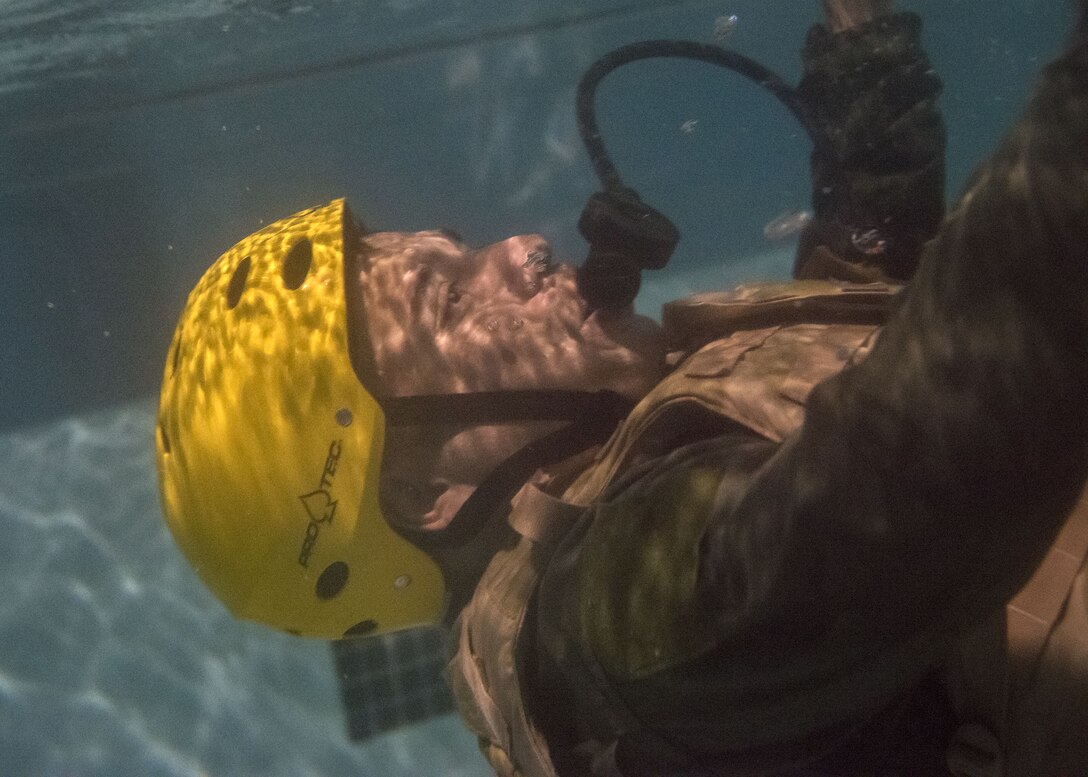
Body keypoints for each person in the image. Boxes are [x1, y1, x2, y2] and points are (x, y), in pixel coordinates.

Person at [155, 0, 1088, 774]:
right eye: (451, 299)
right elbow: (927, 452)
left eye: (461, 251)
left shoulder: (612, 537)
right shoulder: (606, 622)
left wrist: (861, 42)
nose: (522, 245)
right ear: (420, 494)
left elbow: (862, 320)